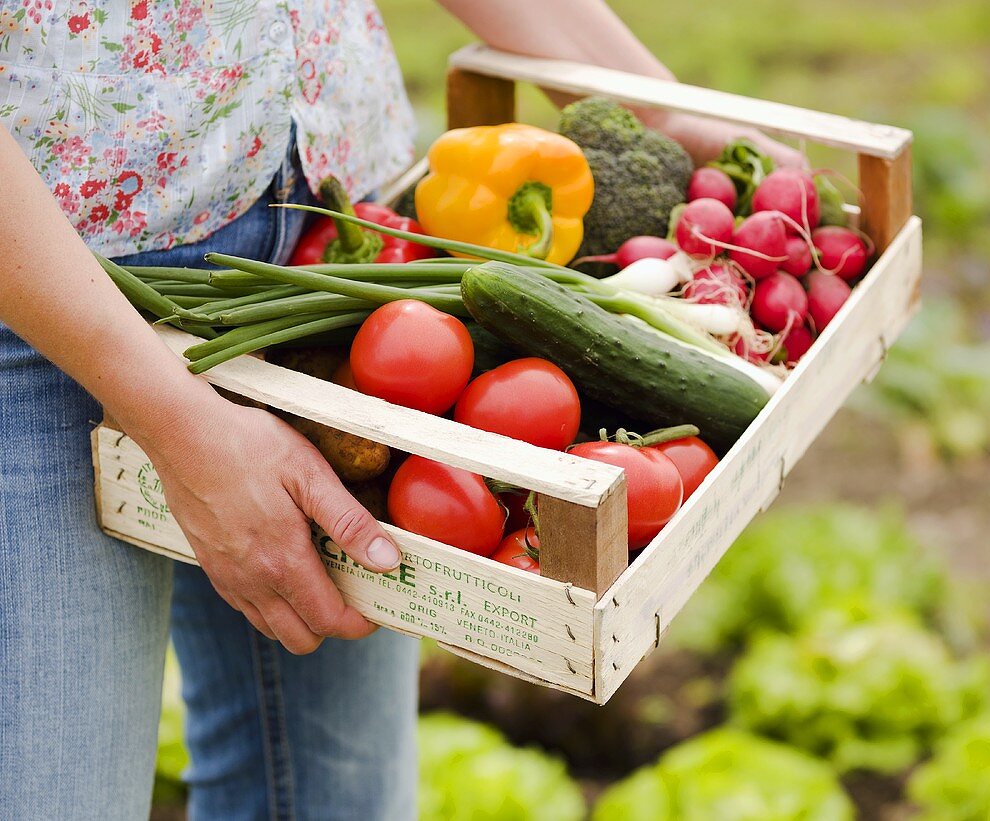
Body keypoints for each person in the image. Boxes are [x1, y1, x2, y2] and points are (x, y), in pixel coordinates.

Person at [0, 1, 799, 818]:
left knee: (337, 798)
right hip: (46, 289)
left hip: (341, 224)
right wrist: (175, 420)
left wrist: (657, 106)